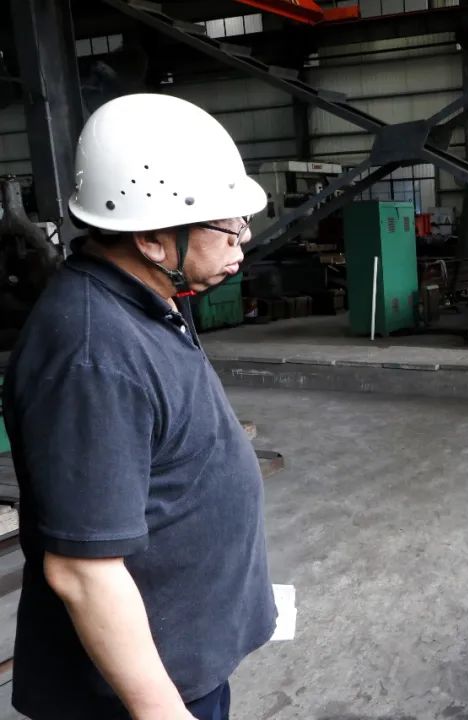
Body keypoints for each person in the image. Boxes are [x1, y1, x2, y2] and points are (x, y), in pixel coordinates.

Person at [2, 93, 275, 720]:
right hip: (140, 696)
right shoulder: (92, 353)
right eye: (227, 225)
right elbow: (83, 572)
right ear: (152, 237)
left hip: (185, 654)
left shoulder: (147, 297)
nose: (243, 240)